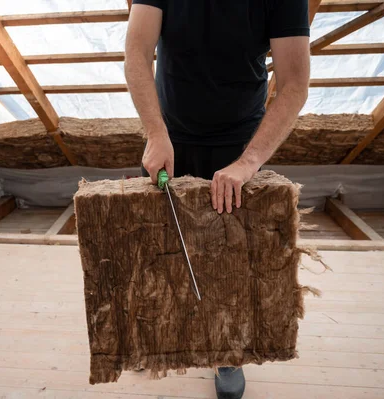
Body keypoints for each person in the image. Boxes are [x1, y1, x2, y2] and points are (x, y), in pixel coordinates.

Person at [125, 1, 310, 397]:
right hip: (169, 137)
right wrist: (156, 134)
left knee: (230, 261)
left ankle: (228, 353)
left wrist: (249, 162)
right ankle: (151, 336)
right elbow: (137, 52)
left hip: (239, 143)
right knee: (157, 251)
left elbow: (295, 83)